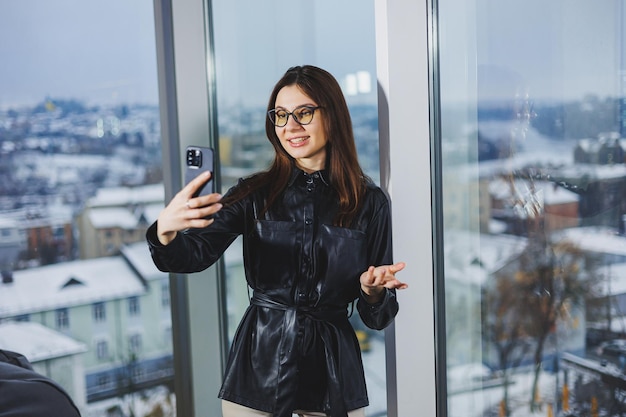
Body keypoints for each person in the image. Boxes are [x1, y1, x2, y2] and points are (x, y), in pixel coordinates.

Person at [146, 65, 408, 417]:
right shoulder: (254, 193)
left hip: (333, 370)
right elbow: (191, 256)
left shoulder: (369, 203)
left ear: (333, 115)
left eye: (304, 113)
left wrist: (373, 292)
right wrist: (165, 230)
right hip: (259, 363)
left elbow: (377, 317)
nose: (290, 127)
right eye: (281, 116)